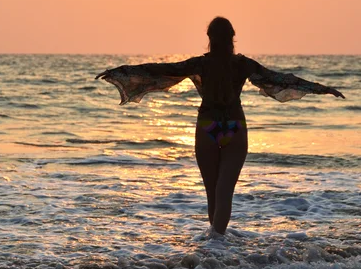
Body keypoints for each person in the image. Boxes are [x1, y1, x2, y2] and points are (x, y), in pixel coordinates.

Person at [96, 17, 345, 235]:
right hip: (235, 126)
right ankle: (217, 245)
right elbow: (281, 80)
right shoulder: (243, 65)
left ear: (209, 38)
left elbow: (158, 70)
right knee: (224, 191)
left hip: (208, 125)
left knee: (212, 193)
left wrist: (120, 72)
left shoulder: (201, 64)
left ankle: (215, 248)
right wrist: (321, 89)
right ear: (233, 38)